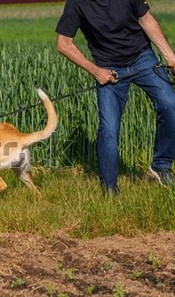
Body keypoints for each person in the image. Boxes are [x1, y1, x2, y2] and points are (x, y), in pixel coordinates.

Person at [55, 0, 175, 194]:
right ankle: (109, 189)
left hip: (142, 58)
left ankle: (161, 167)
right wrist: (96, 71)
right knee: (109, 128)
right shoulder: (76, 3)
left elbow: (146, 20)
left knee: (171, 103)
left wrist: (170, 56)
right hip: (107, 68)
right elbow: (64, 44)